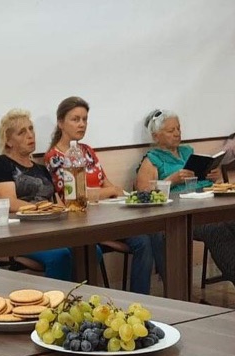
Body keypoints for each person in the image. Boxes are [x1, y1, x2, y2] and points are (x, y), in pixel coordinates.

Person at [136, 109, 235, 311]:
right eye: (170, 130)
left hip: (207, 204)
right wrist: (172, 180)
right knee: (216, 230)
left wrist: (213, 175)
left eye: (178, 128)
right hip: (182, 215)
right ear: (156, 136)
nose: (177, 133)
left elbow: (203, 178)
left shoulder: (188, 151)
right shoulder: (151, 160)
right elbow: (143, 192)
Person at [43, 96, 158, 294]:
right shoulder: (54, 157)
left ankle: (144, 299)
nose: (81, 124)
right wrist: (109, 192)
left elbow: (107, 183)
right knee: (141, 242)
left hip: (108, 215)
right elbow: (73, 196)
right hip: (82, 221)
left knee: (148, 237)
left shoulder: (87, 150)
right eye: (75, 119)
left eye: (85, 119)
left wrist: (120, 194)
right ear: (61, 123)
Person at [0, 109, 74, 280]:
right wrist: (43, 209)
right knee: (60, 255)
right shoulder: (0, 164)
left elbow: (58, 204)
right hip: (17, 235)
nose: (30, 135)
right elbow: (9, 203)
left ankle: (78, 295)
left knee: (90, 250)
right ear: (8, 141)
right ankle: (55, 297)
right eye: (22, 132)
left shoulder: (41, 169)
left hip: (49, 230)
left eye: (31, 129)